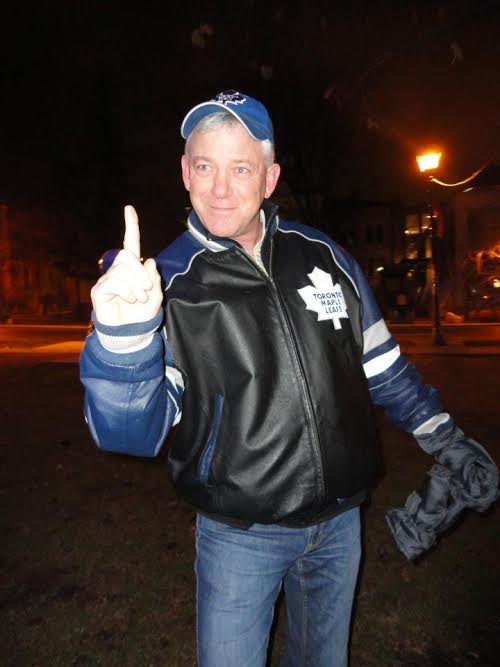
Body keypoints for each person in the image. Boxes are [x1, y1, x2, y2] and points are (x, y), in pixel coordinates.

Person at [80, 90, 498, 666]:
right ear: (184, 172)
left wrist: (445, 438)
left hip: (340, 524)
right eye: (204, 166)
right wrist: (125, 341)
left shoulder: (325, 256)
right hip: (240, 536)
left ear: (270, 178)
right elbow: (132, 433)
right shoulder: (168, 284)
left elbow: (383, 368)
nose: (220, 188)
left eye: (240, 168)